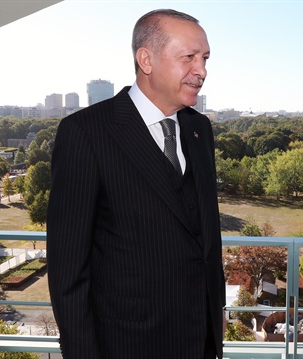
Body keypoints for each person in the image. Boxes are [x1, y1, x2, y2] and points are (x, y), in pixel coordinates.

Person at [47, 9, 225, 359]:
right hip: (127, 344)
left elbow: (204, 235)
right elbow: (68, 271)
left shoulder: (199, 129)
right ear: (146, 59)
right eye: (188, 57)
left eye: (204, 58)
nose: (201, 70)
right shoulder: (86, 133)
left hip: (200, 342)